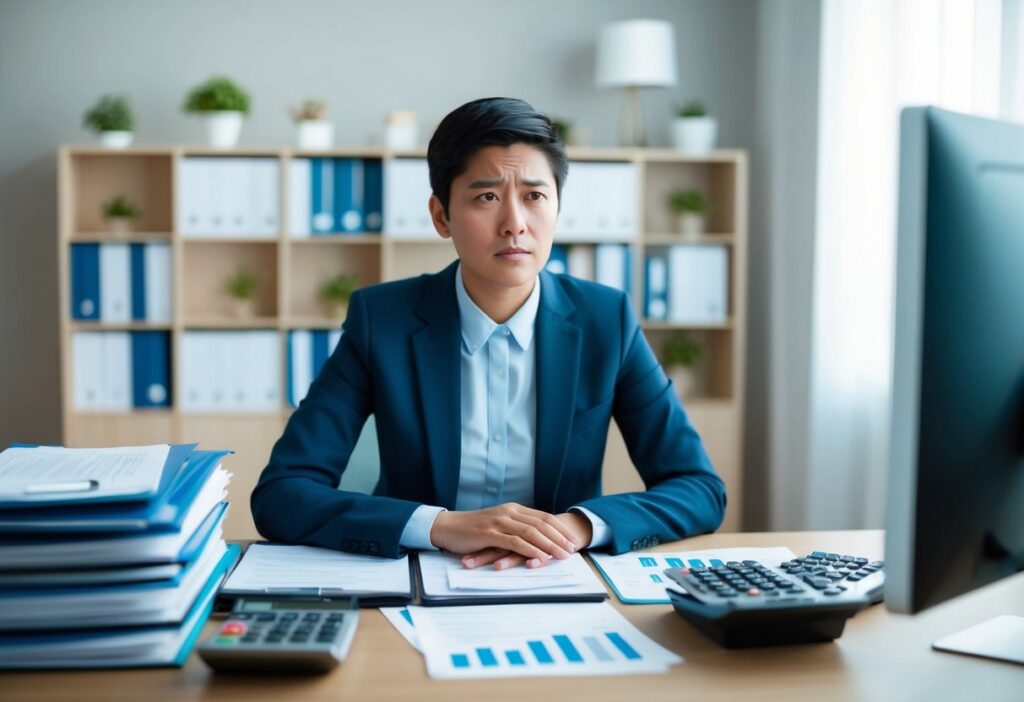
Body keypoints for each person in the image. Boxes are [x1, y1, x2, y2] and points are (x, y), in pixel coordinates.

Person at [251, 97, 726, 571]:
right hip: (418, 578)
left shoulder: (606, 320)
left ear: (557, 208)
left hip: (556, 576)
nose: (515, 224)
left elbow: (699, 487)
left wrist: (577, 527)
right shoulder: (384, 320)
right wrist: (440, 526)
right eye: (487, 197)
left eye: (535, 196)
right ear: (441, 216)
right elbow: (281, 494)